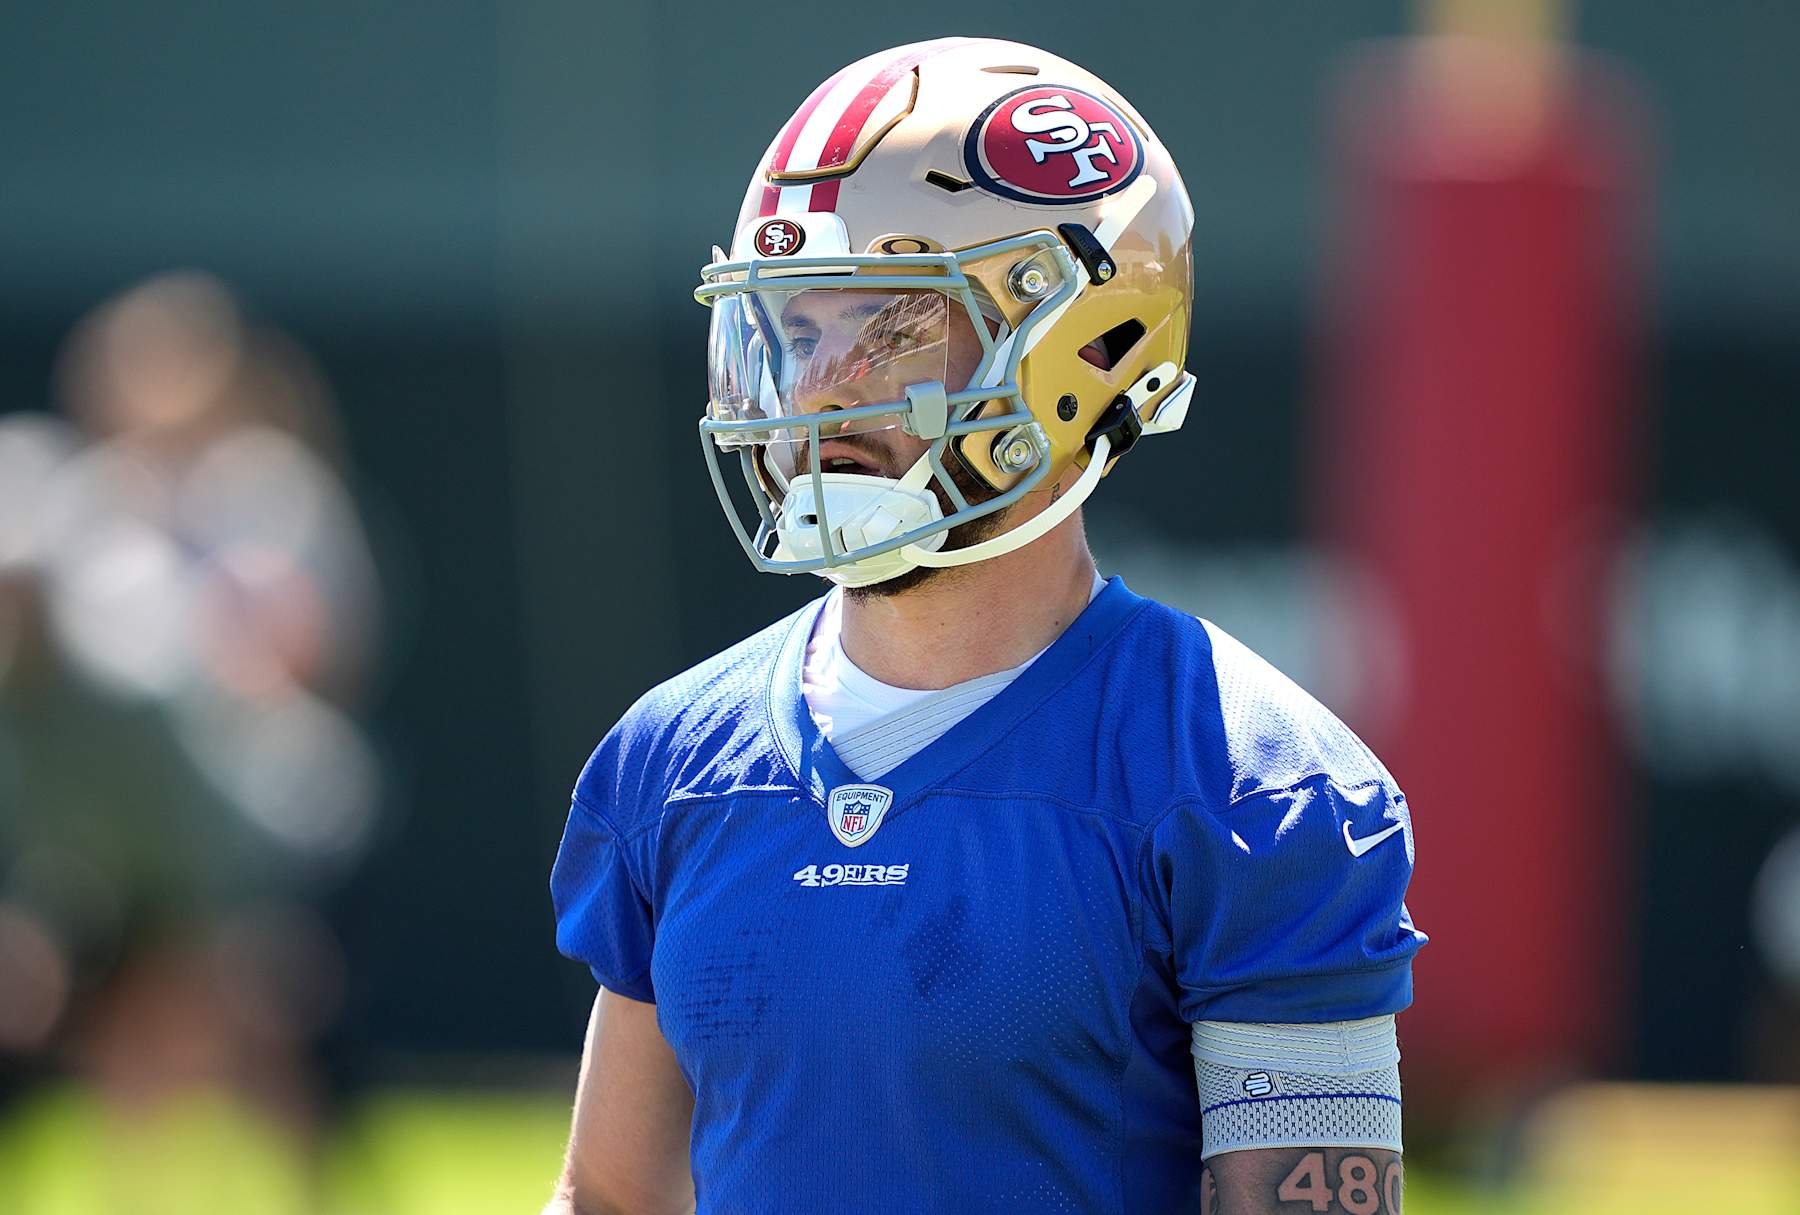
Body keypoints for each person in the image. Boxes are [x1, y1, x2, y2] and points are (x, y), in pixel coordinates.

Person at [546, 37, 1424, 1215]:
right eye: (798, 334)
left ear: (1089, 345)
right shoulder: (675, 758)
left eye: (892, 328)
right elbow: (609, 1196)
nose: (818, 391)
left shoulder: (1252, 784)